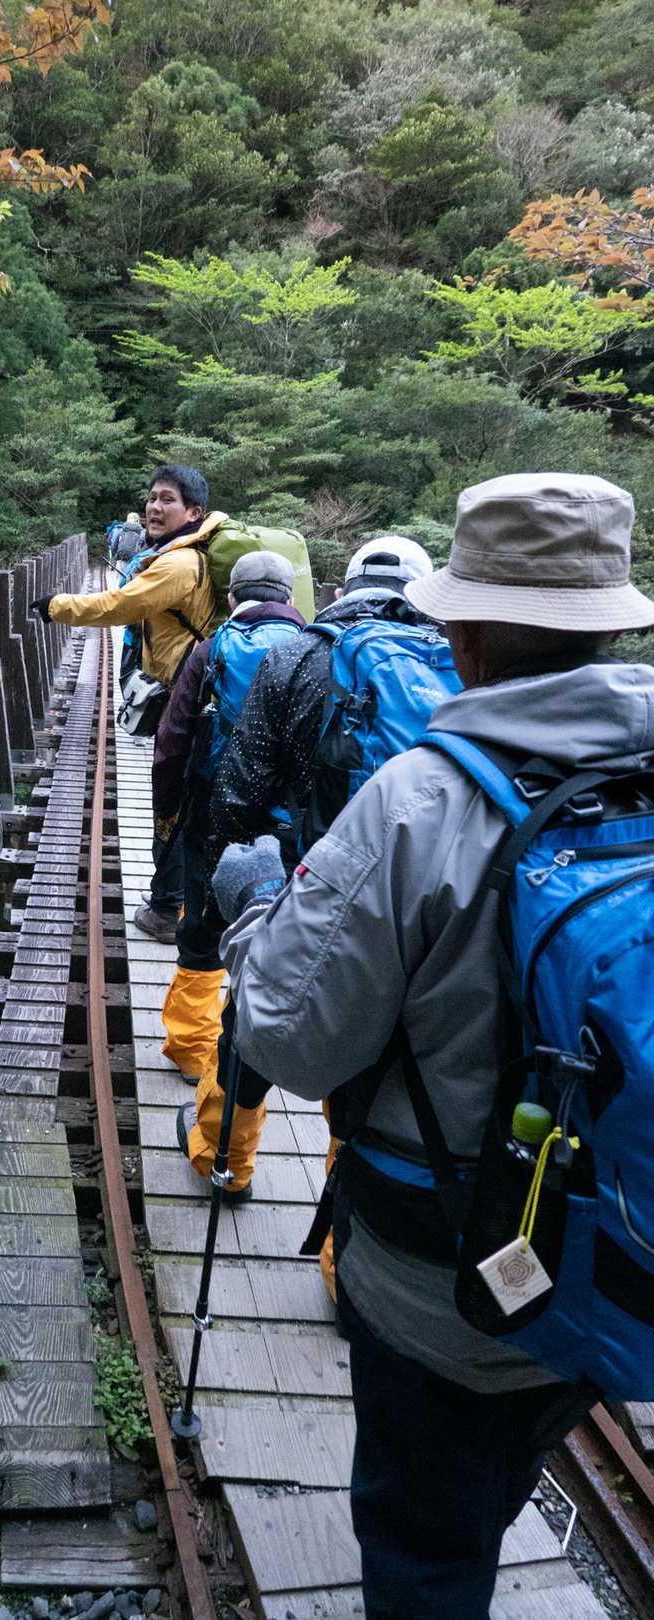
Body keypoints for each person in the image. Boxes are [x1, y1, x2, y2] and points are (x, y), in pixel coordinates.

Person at [211, 472, 654, 1619]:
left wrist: (254, 908)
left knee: (425, 1537)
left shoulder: (423, 800)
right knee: (506, 1458)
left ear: (465, 631)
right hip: (626, 1243)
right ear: (613, 620)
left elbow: (291, 1042)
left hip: (444, 1279)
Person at [177, 538, 435, 1239]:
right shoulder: (456, 665)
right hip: (416, 899)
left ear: (341, 590)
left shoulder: (296, 657)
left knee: (249, 1023)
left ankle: (225, 1160)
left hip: (302, 879)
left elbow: (239, 792)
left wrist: (234, 880)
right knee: (380, 1062)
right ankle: (344, 1245)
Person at [32, 464, 228, 943]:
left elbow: (118, 605)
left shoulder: (179, 564)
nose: (154, 507)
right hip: (195, 695)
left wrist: (56, 606)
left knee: (175, 805)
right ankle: (178, 900)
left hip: (189, 701)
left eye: (168, 500)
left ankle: (166, 909)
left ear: (194, 512)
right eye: (153, 497)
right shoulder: (182, 554)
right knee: (188, 800)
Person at [152, 551, 305, 1114]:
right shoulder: (318, 648)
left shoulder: (212, 647)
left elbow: (173, 737)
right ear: (289, 598)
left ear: (233, 597)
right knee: (281, 925)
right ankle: (259, 1042)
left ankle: (191, 1046)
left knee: (203, 920)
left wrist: (167, 811)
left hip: (215, 808)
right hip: (290, 820)